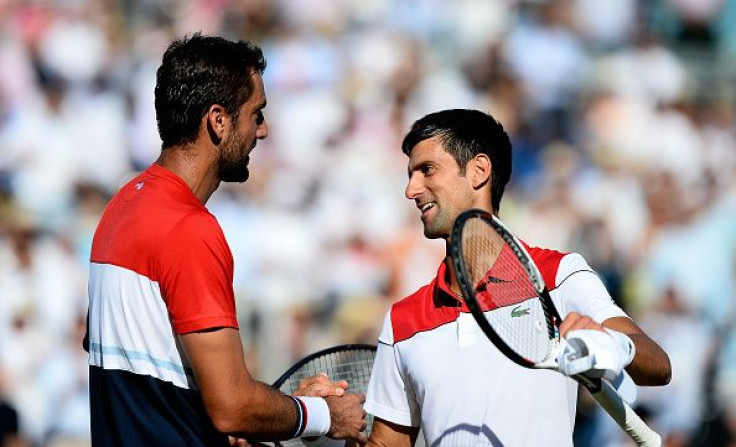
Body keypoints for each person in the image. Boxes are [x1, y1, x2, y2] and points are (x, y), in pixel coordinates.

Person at [84, 34, 366, 446]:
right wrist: (323, 413)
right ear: (218, 120)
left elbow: (137, 362)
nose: (263, 130)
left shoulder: (121, 208)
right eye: (257, 113)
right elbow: (231, 406)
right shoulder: (189, 229)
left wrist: (246, 416)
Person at [361, 109, 672, 446]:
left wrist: (613, 345)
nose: (411, 190)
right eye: (411, 174)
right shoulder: (402, 319)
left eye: (427, 170)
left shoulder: (558, 275)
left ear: (479, 171)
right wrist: (322, 425)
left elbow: (658, 365)